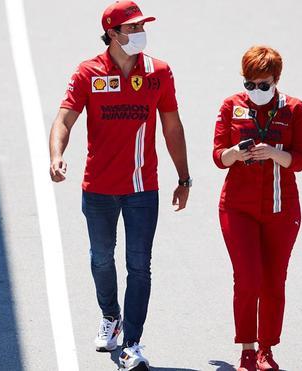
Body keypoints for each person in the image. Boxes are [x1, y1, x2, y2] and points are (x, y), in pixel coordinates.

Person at [48, 1, 191, 370]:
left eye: (142, 26)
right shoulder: (88, 73)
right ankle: (110, 316)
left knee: (139, 265)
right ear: (112, 33)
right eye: (132, 28)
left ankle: (133, 343)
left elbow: (172, 126)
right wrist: (56, 156)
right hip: (98, 188)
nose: (140, 33)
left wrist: (184, 177)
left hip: (144, 189)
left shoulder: (159, 72)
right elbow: (63, 120)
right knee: (101, 258)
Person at [212, 45, 302, 371]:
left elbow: (300, 160)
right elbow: (218, 157)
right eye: (249, 84)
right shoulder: (231, 107)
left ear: (276, 80)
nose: (256, 91)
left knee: (273, 281)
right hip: (237, 208)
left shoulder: (294, 109)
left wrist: (272, 153)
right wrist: (235, 154)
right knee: (247, 278)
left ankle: (267, 350)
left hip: (282, 210)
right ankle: (247, 350)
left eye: (263, 84)